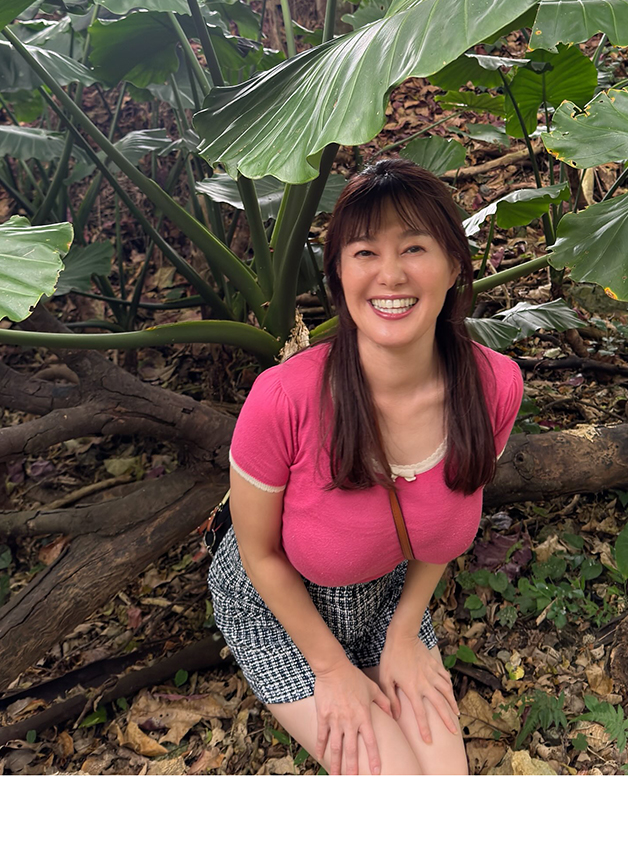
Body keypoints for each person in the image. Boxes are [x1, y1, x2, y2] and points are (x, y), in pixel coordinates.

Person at [208, 157, 523, 775]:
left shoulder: (494, 387)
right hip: (277, 604)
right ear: (337, 273)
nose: (391, 274)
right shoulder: (283, 399)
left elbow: (446, 520)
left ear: (455, 264)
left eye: (414, 247)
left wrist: (406, 631)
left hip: (385, 599)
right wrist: (331, 671)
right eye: (364, 253)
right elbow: (257, 555)